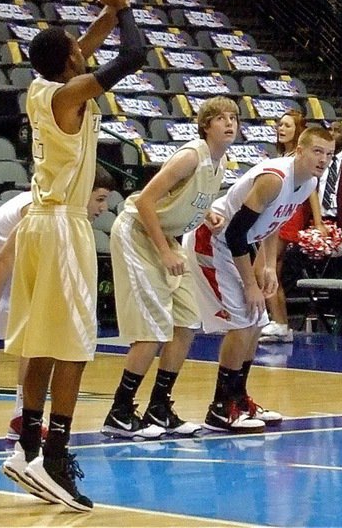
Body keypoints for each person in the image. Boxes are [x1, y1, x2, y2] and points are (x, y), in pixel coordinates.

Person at [0, 0, 148, 512]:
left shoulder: (43, 87)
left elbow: (86, 42)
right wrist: (128, 9)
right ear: (70, 64)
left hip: (38, 223)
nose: (84, 51)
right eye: (78, 52)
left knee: (42, 340)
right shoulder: (71, 95)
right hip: (63, 226)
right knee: (76, 345)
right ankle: (55, 457)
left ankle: (27, 445)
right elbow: (133, 58)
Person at [0, 169, 115, 454]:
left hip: (15, 265)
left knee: (31, 338)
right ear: (82, 192)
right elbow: (3, 257)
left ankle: (22, 417)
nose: (104, 208)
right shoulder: (38, 208)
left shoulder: (72, 221)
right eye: (99, 199)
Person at [102, 97, 239, 440]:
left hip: (165, 237)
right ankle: (119, 410)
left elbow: (186, 198)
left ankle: (159, 407)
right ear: (206, 125)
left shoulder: (219, 164)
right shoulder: (190, 156)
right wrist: (164, 252)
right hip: (139, 234)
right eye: (221, 118)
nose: (229, 123)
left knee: (187, 321)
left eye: (234, 118)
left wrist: (207, 213)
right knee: (153, 328)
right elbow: (146, 200)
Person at [185, 125, 336, 432]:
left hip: (239, 245)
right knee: (242, 322)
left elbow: (273, 221)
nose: (323, 159)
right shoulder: (274, 179)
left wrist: (267, 266)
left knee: (256, 321)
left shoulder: (308, 183)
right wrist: (251, 284)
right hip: (212, 240)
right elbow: (235, 232)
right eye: (317, 151)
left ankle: (239, 399)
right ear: (300, 151)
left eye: (329, 154)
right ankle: (219, 407)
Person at [260, 108, 317, 343]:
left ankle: (279, 323)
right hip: (276, 213)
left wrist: (319, 222)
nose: (281, 129)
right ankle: (280, 323)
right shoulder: (282, 156)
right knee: (275, 270)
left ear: (298, 131)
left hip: (286, 215)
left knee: (265, 267)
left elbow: (312, 189)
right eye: (280, 125)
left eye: (287, 126)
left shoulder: (298, 157)